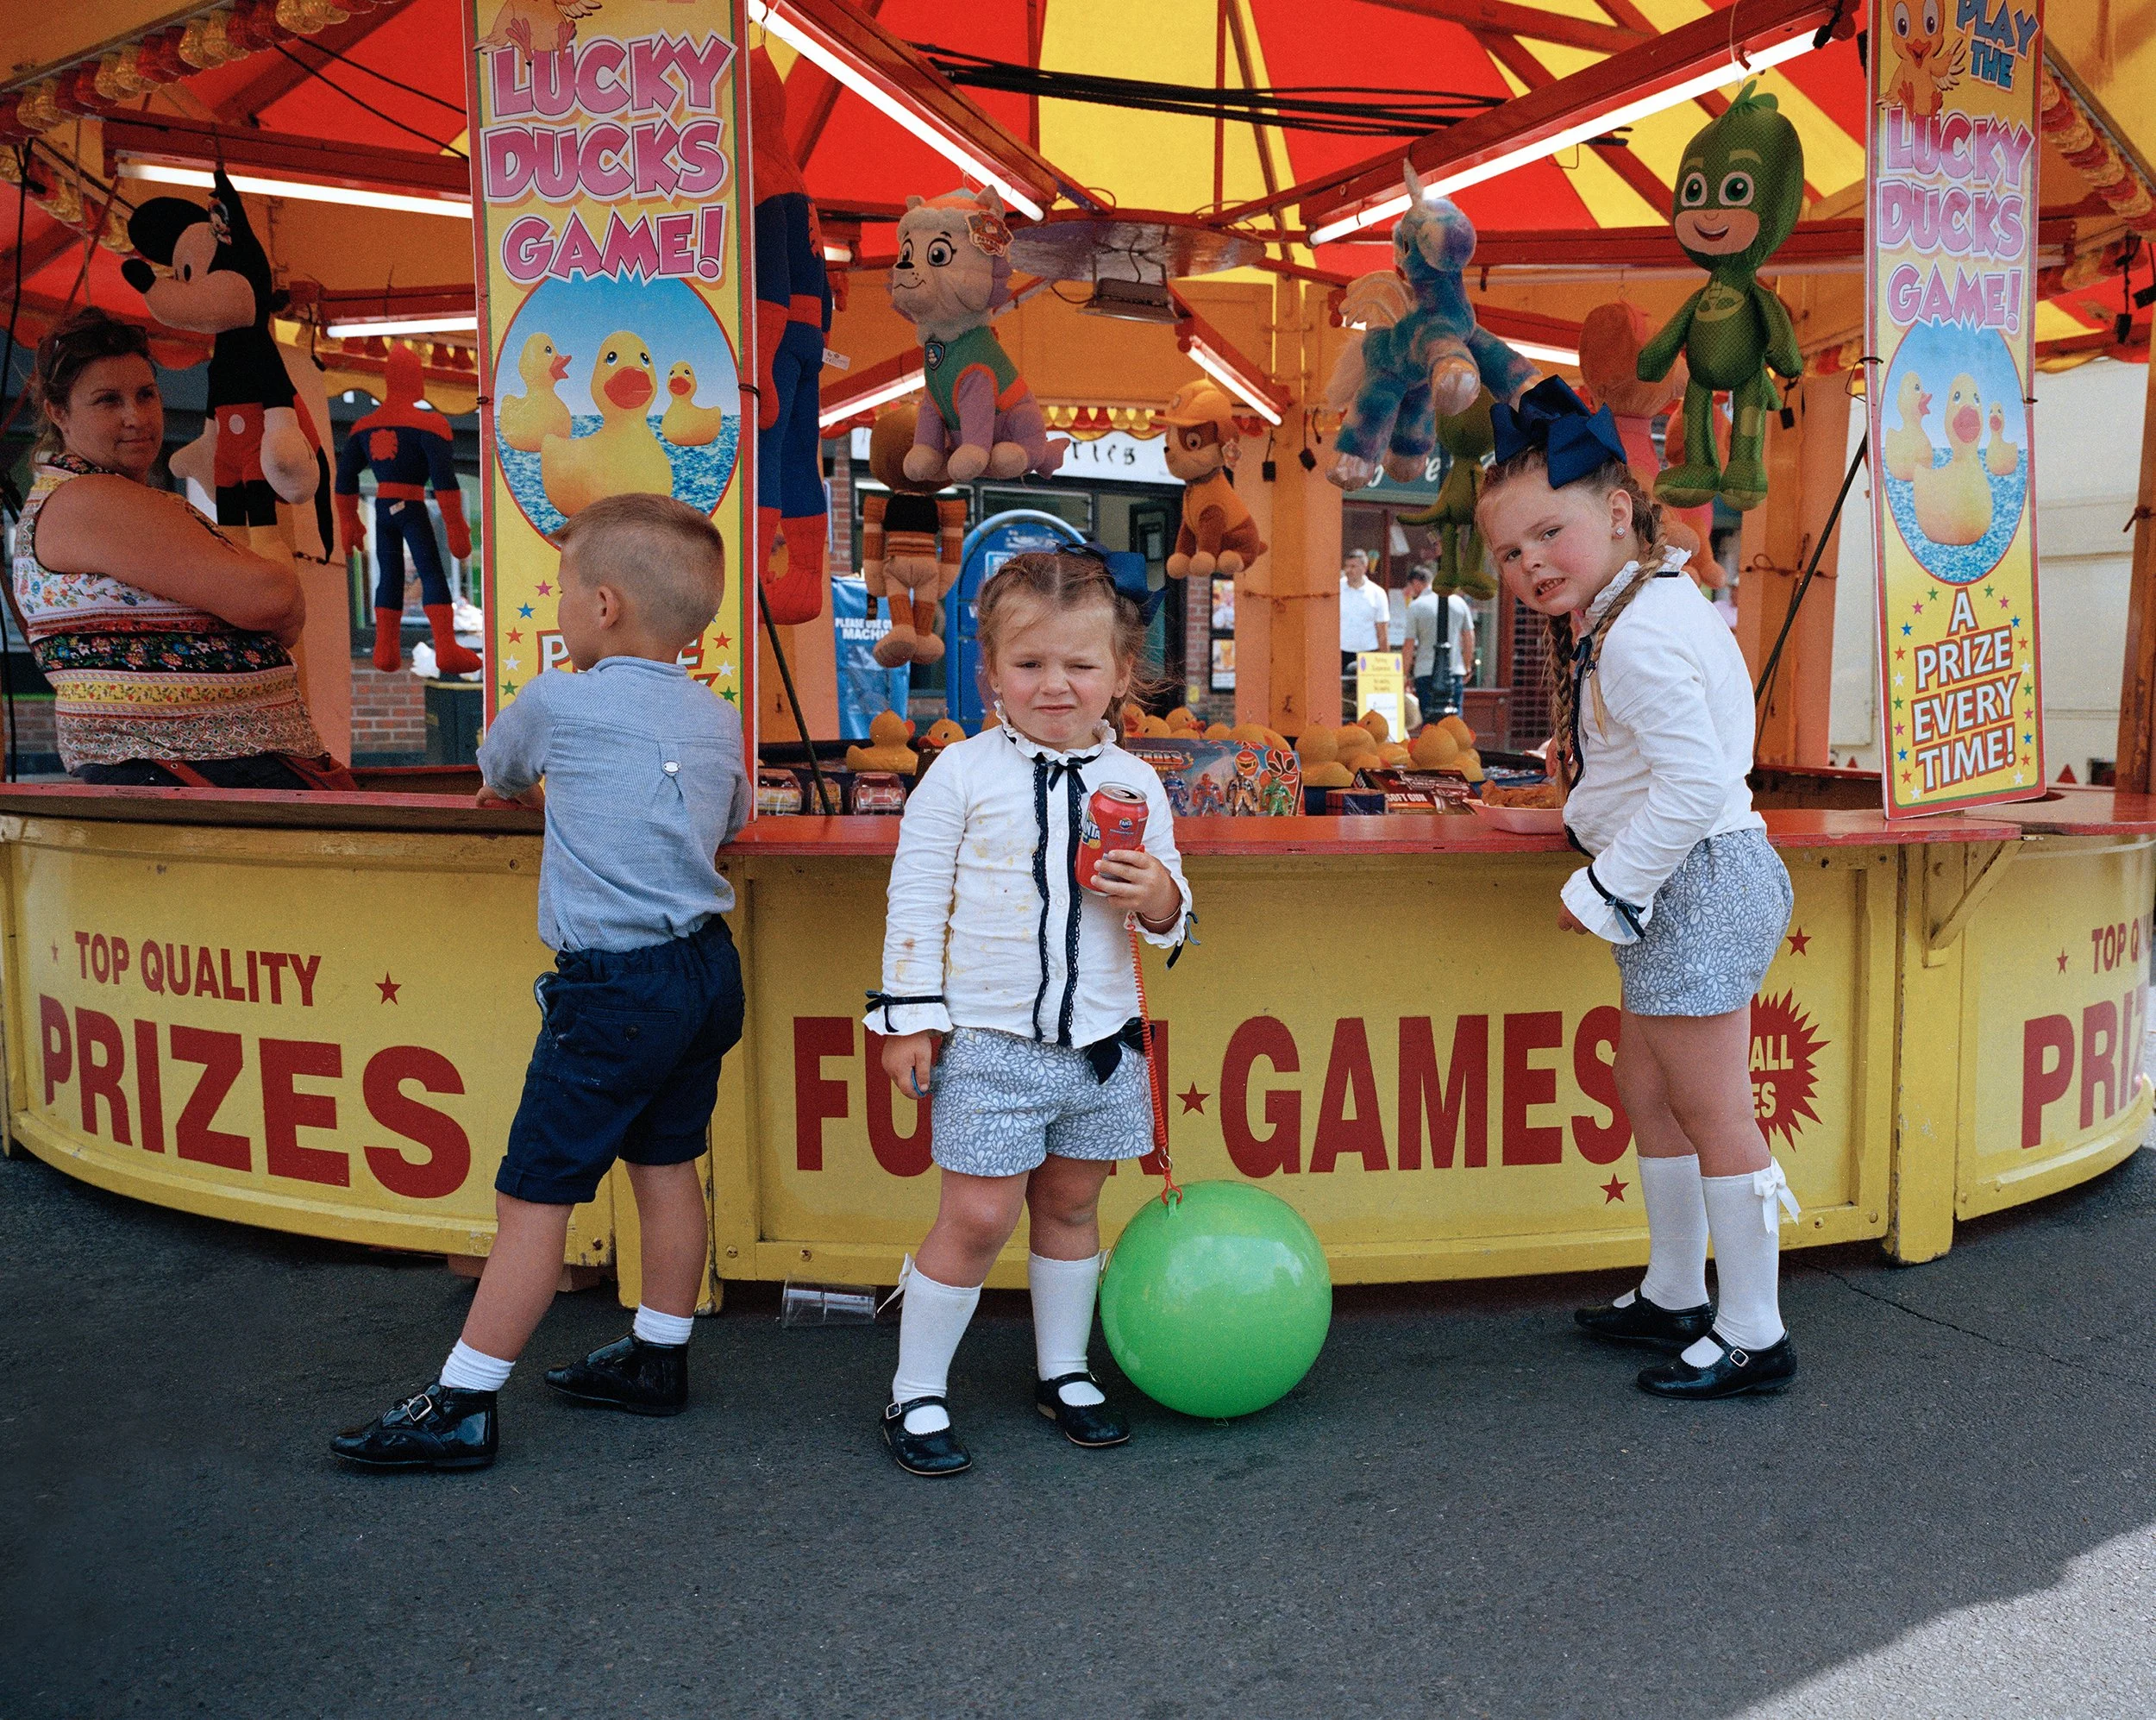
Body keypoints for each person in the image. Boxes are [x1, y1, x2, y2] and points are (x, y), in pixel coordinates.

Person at [332, 493, 749, 1471]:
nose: (559, 607)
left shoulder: (560, 699)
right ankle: (658, 1355)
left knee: (535, 1195)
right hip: (703, 970)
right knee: (666, 1164)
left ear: (603, 605)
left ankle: (464, 1400)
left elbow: (499, 766)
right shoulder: (719, 716)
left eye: (562, 590)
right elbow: (728, 819)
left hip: (612, 989)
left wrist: (530, 789)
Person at [1476, 377, 1798, 1402]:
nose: (1530, 562)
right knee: (1647, 1087)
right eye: (1509, 552)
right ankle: (1673, 1289)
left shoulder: (1642, 629)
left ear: (1617, 511)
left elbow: (1694, 784)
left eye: (1548, 533)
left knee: (1711, 1107)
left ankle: (1752, 1329)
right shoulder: (1640, 606)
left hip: (1692, 879)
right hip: (1690, 879)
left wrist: (1606, 885)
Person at [869, 547, 1193, 1478]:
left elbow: (1174, 917)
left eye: (1080, 664)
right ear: (990, 672)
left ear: (1121, 674)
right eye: (1029, 663)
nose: (1055, 684)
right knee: (976, 1215)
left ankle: (1064, 1370)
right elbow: (915, 898)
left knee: (1073, 1204)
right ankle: (915, 1387)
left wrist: (1157, 894)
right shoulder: (959, 774)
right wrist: (908, 1018)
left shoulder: (1138, 783)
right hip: (989, 1043)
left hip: (1101, 1045)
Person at [14, 307, 348, 788]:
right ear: (58, 413)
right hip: (187, 773)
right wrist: (274, 586)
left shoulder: (103, 497)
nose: (135, 417)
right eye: (108, 401)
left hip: (202, 772)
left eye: (146, 394)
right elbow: (273, 598)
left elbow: (284, 615)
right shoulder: (90, 497)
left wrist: (276, 597)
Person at [1338, 549, 1388, 718]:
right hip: (1341, 652)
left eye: (1353, 566)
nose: (1349, 570)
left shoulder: (1377, 593)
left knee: (1368, 701)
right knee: (1342, 699)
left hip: (1368, 653)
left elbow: (1382, 630)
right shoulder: (1337, 589)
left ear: (1364, 568)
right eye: (1347, 566)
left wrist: (1385, 662)